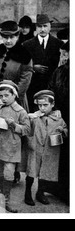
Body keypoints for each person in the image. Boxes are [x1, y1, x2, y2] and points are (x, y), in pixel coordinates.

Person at [0, 80, 30, 213]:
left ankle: (7, 201)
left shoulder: (20, 111)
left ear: (14, 95)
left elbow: (27, 130)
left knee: (9, 174)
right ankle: (0, 197)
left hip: (11, 146)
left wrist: (14, 125)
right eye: (1, 95)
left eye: (6, 95)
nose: (3, 98)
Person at [25, 90, 68, 206]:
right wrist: (29, 118)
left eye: (45, 105)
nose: (42, 108)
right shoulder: (34, 117)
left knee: (44, 172)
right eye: (40, 105)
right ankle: (27, 193)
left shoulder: (59, 119)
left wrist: (62, 131)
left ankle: (40, 192)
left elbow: (66, 130)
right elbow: (27, 129)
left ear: (52, 104)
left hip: (50, 150)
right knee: (31, 171)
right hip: (35, 148)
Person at [0, 20, 33, 111]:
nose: (8, 41)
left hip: (15, 101)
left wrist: (11, 98)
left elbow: (24, 81)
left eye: (12, 37)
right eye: (5, 37)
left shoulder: (24, 55)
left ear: (17, 36)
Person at [23, 14, 64, 112]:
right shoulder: (27, 45)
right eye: (39, 26)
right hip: (33, 86)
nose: (42, 29)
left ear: (50, 27)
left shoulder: (59, 44)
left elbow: (63, 65)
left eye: (45, 26)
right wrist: (32, 67)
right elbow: (21, 66)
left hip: (52, 86)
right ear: (36, 28)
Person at [48, 41, 69, 205]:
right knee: (63, 156)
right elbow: (52, 93)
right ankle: (63, 190)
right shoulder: (59, 72)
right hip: (62, 118)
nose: (64, 57)